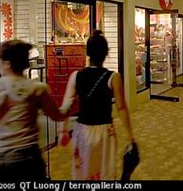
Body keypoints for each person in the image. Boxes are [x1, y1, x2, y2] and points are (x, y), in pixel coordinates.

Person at [58, 30, 136, 180]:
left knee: (83, 173)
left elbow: (66, 105)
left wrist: (63, 131)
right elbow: (121, 108)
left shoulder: (76, 76)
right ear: (106, 54)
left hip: (82, 131)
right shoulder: (114, 77)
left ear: (88, 53)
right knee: (104, 172)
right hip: (105, 131)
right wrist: (130, 136)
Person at [0, 40, 68, 181]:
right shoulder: (38, 88)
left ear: (6, 63)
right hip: (28, 157)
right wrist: (71, 104)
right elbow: (57, 115)